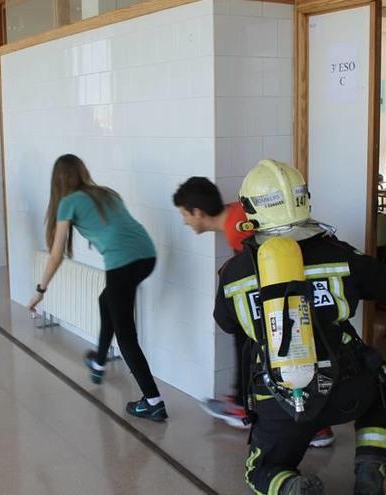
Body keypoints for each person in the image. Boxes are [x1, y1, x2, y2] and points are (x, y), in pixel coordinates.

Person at [214, 160, 386, 495]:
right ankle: (372, 463)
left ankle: (291, 487)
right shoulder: (340, 255)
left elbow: (226, 323)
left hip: (279, 398)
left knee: (261, 471)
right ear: (303, 200)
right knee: (381, 379)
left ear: (250, 211)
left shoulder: (232, 273)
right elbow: (385, 286)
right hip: (347, 387)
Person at [173, 177, 337, 447]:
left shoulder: (236, 228)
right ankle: (244, 401)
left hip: (287, 300)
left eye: (184, 215)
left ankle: (300, 422)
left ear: (198, 213)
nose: (185, 221)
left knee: (270, 350)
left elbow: (260, 267)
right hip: (293, 296)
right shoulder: (235, 214)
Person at [27, 154, 164, 421]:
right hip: (147, 256)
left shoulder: (68, 202)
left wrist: (40, 291)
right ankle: (99, 361)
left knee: (126, 336)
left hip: (122, 262)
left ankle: (153, 400)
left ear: (57, 181)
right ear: (82, 172)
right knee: (107, 300)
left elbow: (56, 255)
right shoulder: (106, 193)